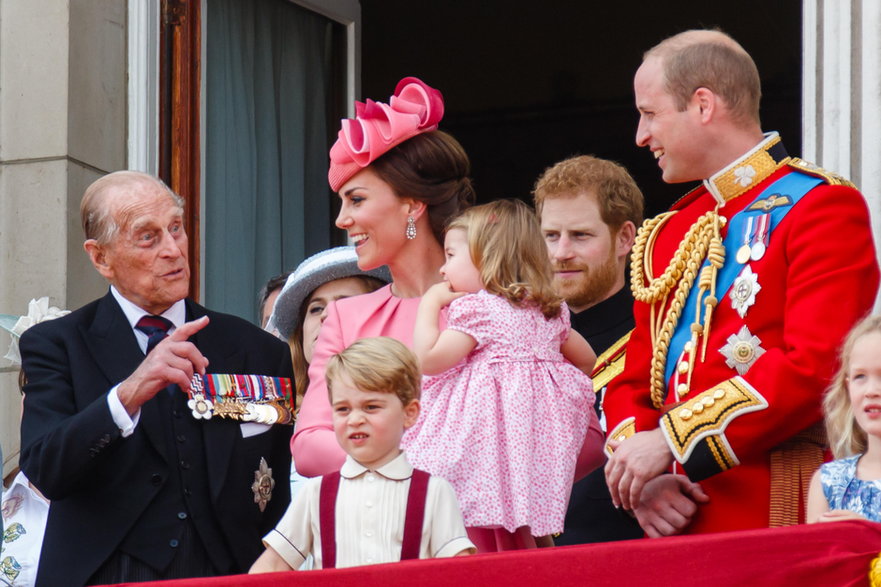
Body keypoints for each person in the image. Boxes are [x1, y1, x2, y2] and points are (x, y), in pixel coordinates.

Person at [603, 29, 879, 537]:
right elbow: (631, 378)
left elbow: (818, 362)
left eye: (650, 113)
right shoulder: (669, 231)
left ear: (703, 105)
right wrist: (640, 477)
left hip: (780, 505)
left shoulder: (819, 206)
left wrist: (671, 441)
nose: (641, 136)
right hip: (673, 515)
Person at [18, 171, 294, 585]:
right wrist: (127, 396)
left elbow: (276, 486)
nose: (173, 249)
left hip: (229, 572)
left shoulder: (259, 350)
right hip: (105, 573)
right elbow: (45, 469)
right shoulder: (57, 344)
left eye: (176, 228)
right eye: (148, 237)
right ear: (100, 257)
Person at [291, 77, 474, 476]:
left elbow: (582, 441)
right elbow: (309, 445)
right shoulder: (347, 317)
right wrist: (416, 468)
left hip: (482, 530)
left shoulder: (497, 304)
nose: (342, 219)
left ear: (411, 204)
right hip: (381, 528)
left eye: (356, 199)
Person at [403, 199, 603, 551]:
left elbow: (428, 360)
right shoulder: (547, 308)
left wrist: (430, 305)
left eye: (451, 256)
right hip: (532, 446)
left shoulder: (479, 308)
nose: (442, 271)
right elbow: (588, 361)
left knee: (467, 517)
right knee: (528, 526)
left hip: (481, 448)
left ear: (487, 257)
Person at [250, 337, 475, 572]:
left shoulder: (435, 492)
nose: (355, 419)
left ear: (409, 413)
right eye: (343, 409)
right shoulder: (315, 494)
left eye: (371, 407)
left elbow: (461, 571)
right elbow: (274, 564)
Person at [533, 155, 644, 544]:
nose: (560, 252)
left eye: (580, 236)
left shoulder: (661, 332)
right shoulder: (515, 330)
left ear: (625, 238)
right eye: (550, 235)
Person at [269, 246, 389, 405]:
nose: (327, 315)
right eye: (316, 309)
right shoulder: (278, 420)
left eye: (345, 304)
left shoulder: (417, 402)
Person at [807, 316, 881, 524]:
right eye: (860, 377)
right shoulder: (828, 481)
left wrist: (865, 534)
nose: (871, 391)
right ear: (847, 386)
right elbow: (813, 555)